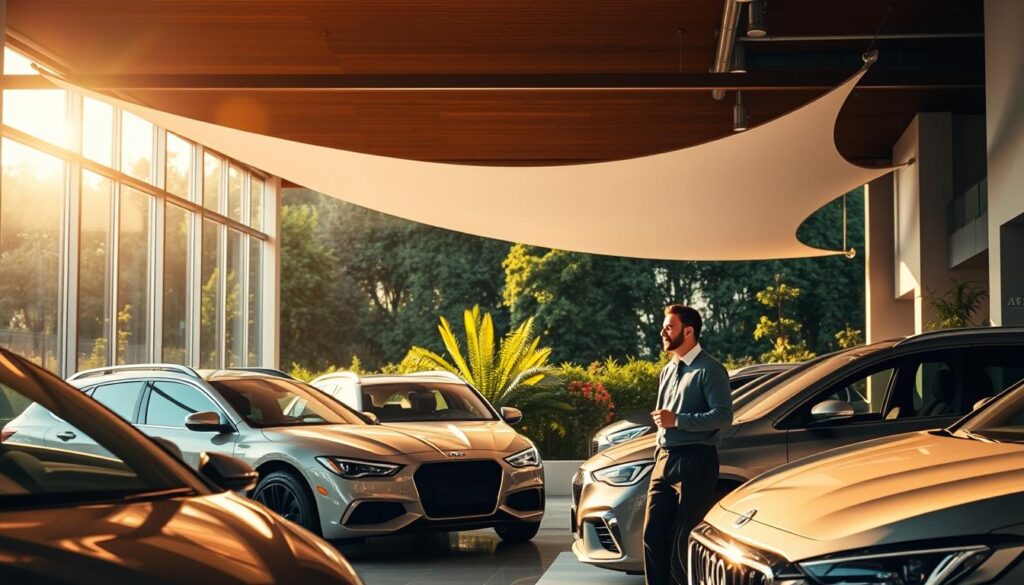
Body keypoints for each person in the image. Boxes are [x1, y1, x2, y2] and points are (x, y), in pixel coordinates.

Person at [643, 304, 733, 585]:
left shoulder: (711, 369)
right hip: (664, 460)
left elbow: (723, 416)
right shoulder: (668, 370)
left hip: (696, 460)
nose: (663, 332)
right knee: (652, 534)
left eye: (669, 327)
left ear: (689, 331)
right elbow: (664, 419)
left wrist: (678, 420)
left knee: (683, 540)